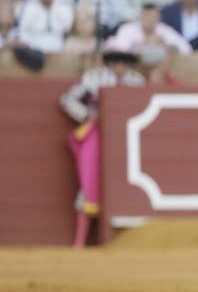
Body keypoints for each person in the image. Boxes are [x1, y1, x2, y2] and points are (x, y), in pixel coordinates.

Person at [58, 46, 144, 248]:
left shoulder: (136, 81)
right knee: (89, 183)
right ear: (109, 63)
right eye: (116, 61)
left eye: (124, 62)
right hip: (98, 136)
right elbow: (66, 99)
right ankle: (79, 243)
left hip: (127, 138)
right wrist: (88, 115)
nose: (120, 66)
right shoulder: (94, 78)